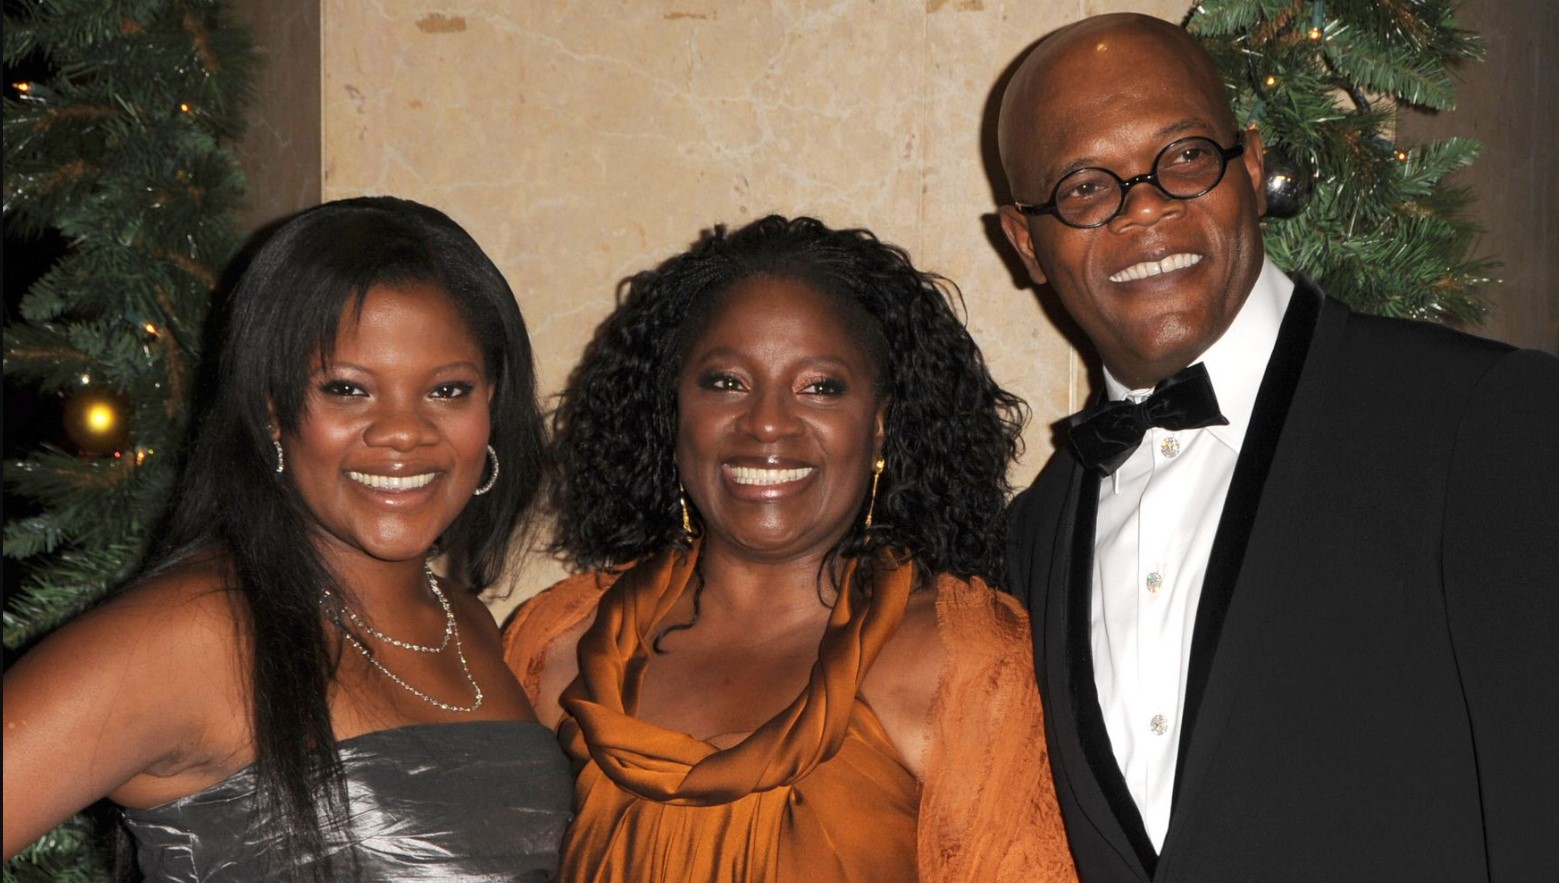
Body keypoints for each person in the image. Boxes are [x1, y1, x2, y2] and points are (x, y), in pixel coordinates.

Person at [994, 12, 1559, 882]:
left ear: (1254, 164)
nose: (1147, 207)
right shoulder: (1030, 539)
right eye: (1086, 185)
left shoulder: (1480, 422)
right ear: (1026, 244)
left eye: (1186, 155)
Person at [2, 197, 572, 881]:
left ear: (492, 406)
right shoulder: (195, 631)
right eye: (347, 389)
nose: (403, 431)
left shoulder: (469, 622)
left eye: (448, 390)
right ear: (273, 413)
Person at [504, 214, 1076, 882]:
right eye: (726, 382)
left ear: (883, 424)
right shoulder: (556, 642)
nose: (767, 422)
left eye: (820, 387)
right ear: (673, 409)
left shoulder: (967, 662)